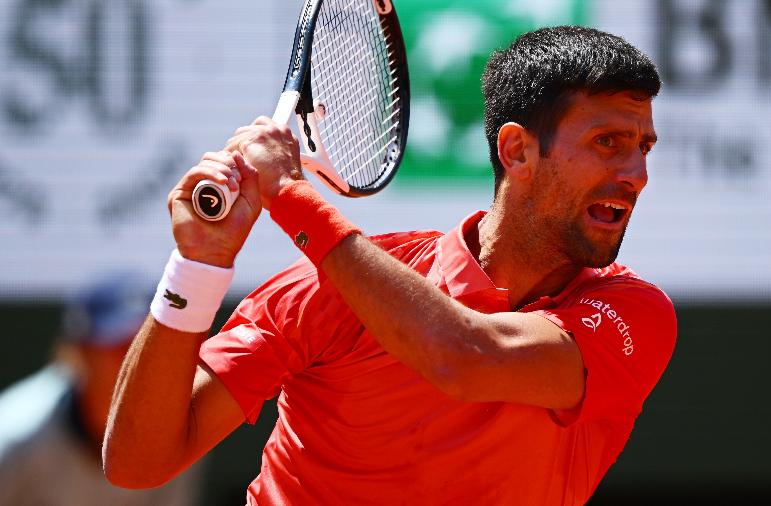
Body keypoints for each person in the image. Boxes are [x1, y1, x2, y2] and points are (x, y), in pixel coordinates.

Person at [104, 26, 676, 504]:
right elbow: (137, 463)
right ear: (517, 151)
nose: (636, 173)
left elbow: (464, 356)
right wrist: (198, 265)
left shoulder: (633, 315)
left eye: (642, 146)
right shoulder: (322, 293)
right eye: (608, 142)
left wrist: (289, 195)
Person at [0, 272, 200, 506]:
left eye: (150, 345)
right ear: (79, 353)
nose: (140, 362)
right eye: (122, 347)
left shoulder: (178, 430)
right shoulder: (17, 434)